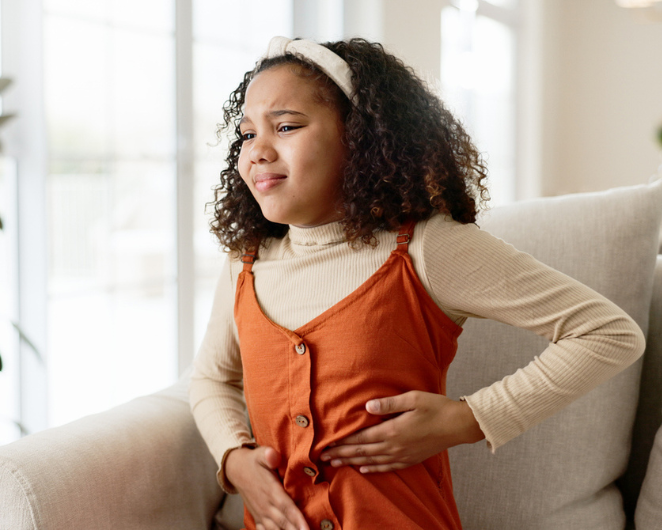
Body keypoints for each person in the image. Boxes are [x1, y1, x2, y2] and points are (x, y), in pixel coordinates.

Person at [189, 36, 645, 530]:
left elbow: (608, 333)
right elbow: (213, 379)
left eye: (286, 126)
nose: (258, 151)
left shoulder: (427, 249)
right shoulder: (246, 263)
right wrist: (235, 459)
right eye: (247, 134)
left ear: (360, 138)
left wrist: (467, 419)